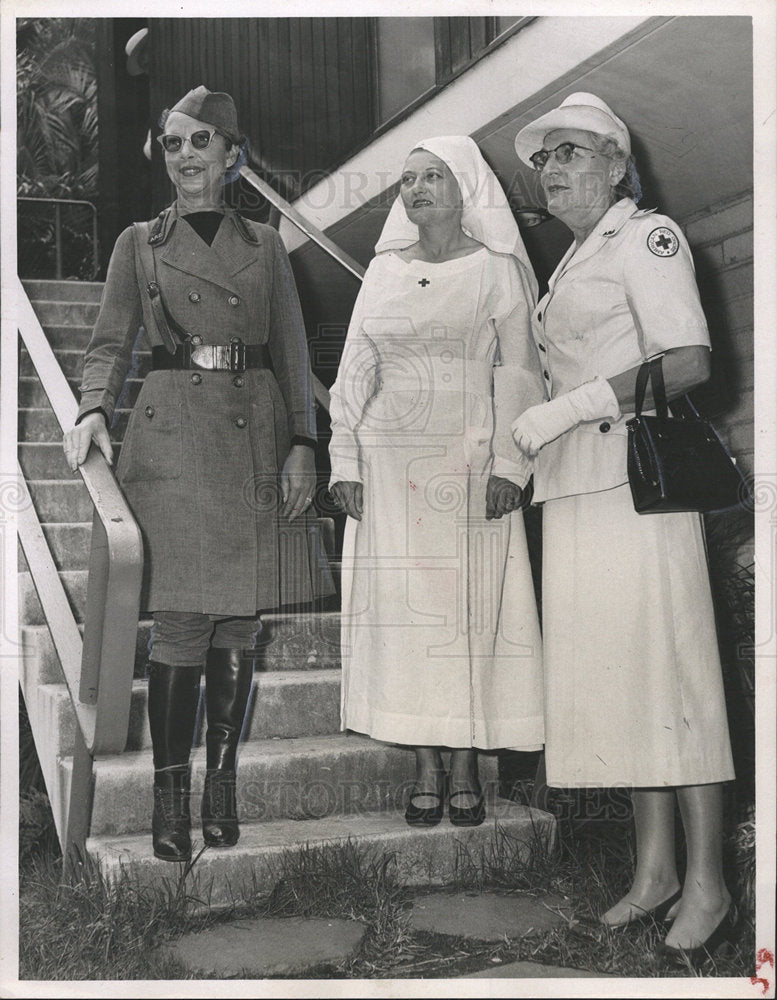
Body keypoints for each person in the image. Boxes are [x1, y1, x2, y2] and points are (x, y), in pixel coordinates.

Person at [63, 85, 332, 862]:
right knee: (181, 621)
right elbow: (110, 343)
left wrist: (304, 446)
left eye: (200, 142)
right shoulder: (138, 242)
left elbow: (290, 350)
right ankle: (170, 796)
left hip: (255, 435)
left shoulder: (267, 245)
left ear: (231, 155)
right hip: (172, 441)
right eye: (173, 142)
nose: (184, 155)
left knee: (241, 620)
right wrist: (90, 410)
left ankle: (221, 783)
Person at [511, 93, 736, 962]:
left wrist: (570, 405)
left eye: (570, 153)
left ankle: (710, 882)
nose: (552, 170)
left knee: (675, 682)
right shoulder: (572, 259)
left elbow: (687, 360)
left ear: (613, 163)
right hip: (579, 489)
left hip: (638, 483)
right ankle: (653, 874)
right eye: (543, 160)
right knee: (627, 684)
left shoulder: (647, 236)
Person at [328, 136, 544, 828]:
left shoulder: (495, 270)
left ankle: (463, 768)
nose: (416, 188)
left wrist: (511, 466)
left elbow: (519, 374)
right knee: (409, 619)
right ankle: (423, 764)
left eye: (432, 177)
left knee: (464, 617)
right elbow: (355, 369)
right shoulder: (384, 272)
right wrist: (343, 459)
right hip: (390, 466)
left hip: (468, 460)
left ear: (464, 190)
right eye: (407, 180)